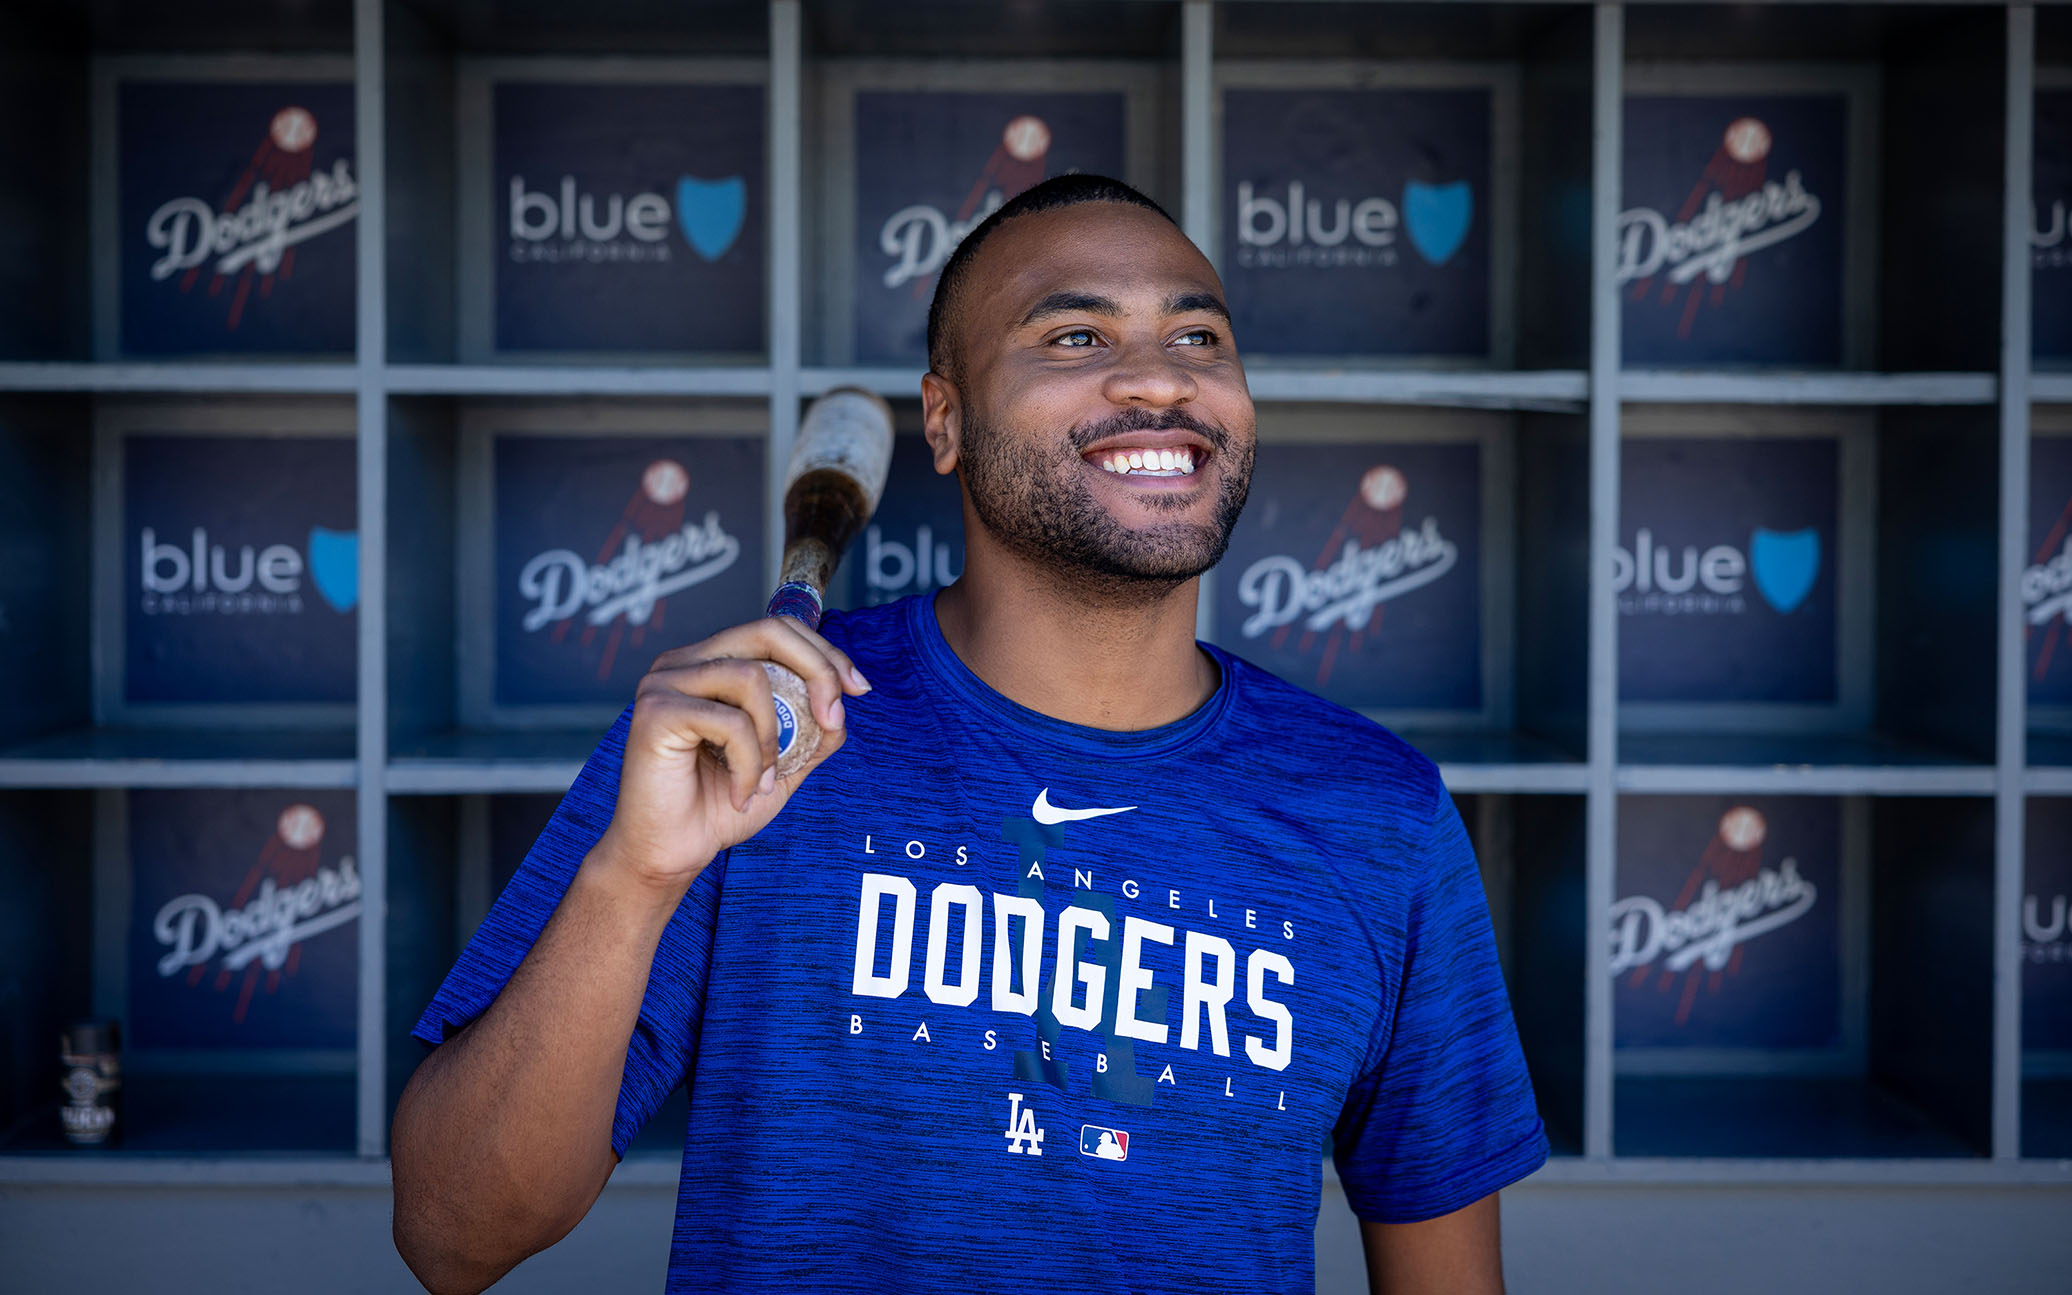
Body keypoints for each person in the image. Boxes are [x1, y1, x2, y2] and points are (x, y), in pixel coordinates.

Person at [391, 174, 1547, 1295]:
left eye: (1198, 338)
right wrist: (635, 874)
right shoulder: (738, 738)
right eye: (1075, 338)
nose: (1158, 381)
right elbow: (451, 1236)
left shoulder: (1379, 815)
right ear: (942, 421)